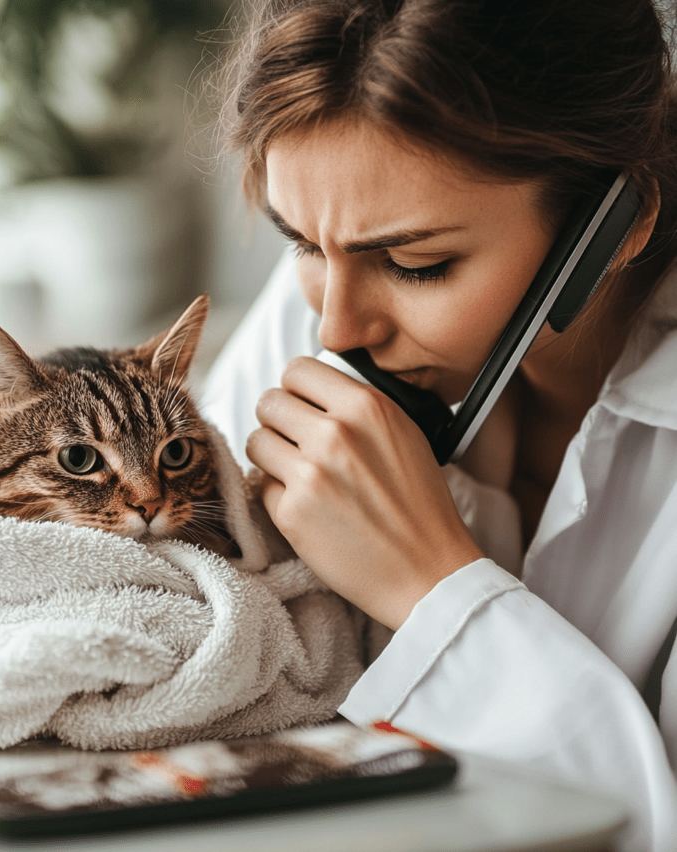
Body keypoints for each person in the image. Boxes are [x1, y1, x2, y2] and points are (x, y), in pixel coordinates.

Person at [201, 1, 677, 850]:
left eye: (417, 265)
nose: (336, 330)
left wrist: (432, 593)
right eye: (299, 242)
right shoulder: (337, 289)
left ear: (615, 223)